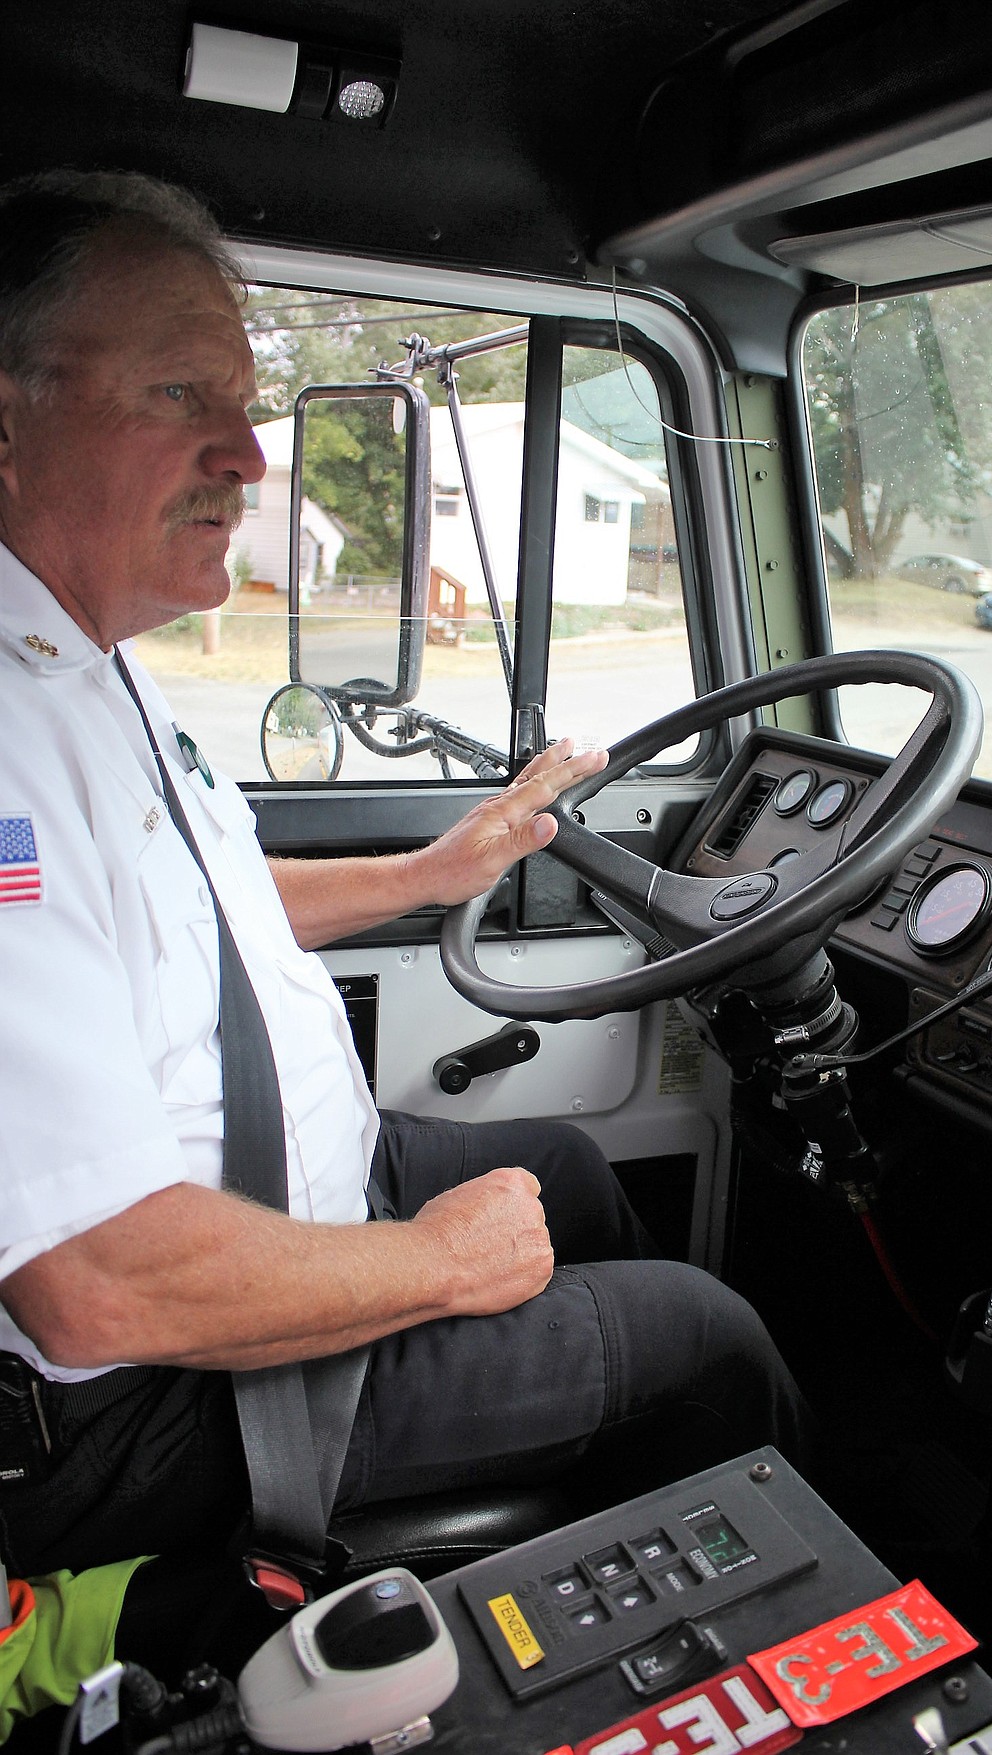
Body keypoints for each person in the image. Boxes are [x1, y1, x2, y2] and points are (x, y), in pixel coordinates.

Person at [0, 170, 811, 1584]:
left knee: (557, 1164)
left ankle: (599, 1553)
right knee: (705, 1340)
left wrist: (443, 866)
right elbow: (94, 1284)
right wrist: (439, 1268)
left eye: (244, 403)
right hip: (144, 1394)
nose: (251, 457)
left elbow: (197, 910)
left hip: (281, 1200)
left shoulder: (91, 658)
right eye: (182, 395)